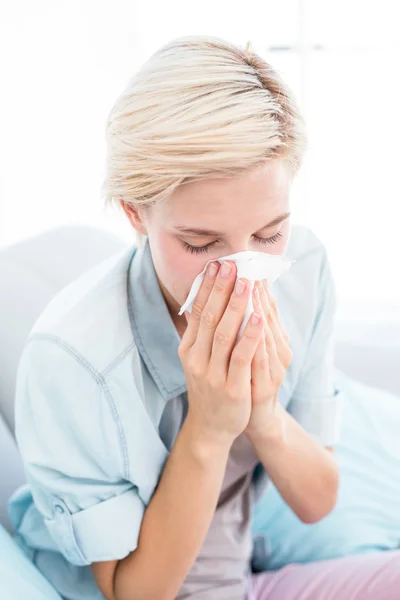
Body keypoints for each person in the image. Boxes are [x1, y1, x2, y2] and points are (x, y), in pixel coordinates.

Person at [9, 35, 400, 600]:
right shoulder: (73, 357)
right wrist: (211, 426)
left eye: (268, 233)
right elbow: (133, 592)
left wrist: (263, 413)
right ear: (135, 213)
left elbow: (317, 501)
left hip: (242, 564)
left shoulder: (304, 267)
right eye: (200, 243)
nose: (243, 271)